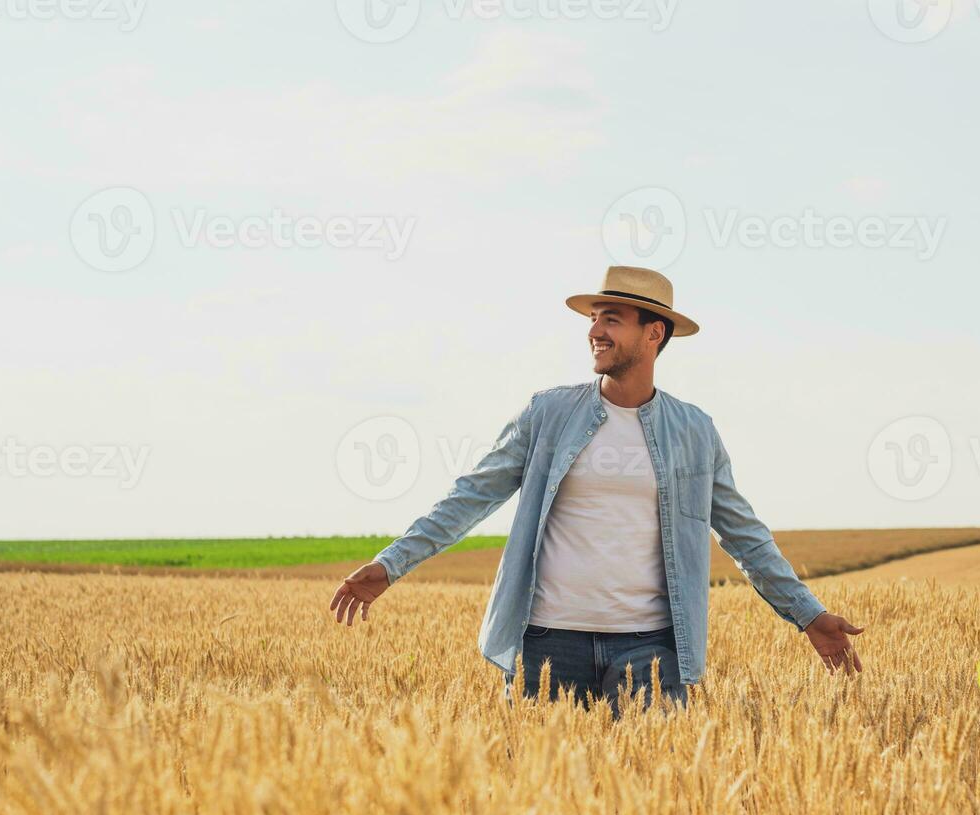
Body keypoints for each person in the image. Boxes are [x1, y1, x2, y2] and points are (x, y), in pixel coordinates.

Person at [330, 266, 864, 717]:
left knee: (651, 805)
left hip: (651, 647)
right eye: (593, 319)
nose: (596, 331)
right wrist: (391, 563)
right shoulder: (549, 414)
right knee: (546, 811)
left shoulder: (694, 432)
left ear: (654, 333)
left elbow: (743, 535)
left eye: (612, 319)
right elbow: (471, 495)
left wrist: (808, 615)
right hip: (546, 641)